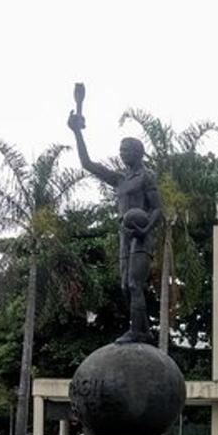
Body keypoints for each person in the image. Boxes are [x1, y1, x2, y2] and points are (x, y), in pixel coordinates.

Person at [67, 107, 162, 343]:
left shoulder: (146, 176)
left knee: (133, 283)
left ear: (138, 153)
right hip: (124, 234)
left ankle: (138, 331)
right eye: (121, 150)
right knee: (124, 285)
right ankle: (145, 330)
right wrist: (77, 132)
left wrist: (145, 229)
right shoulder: (120, 180)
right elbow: (88, 163)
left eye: (127, 150)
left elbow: (158, 209)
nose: (122, 154)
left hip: (141, 233)